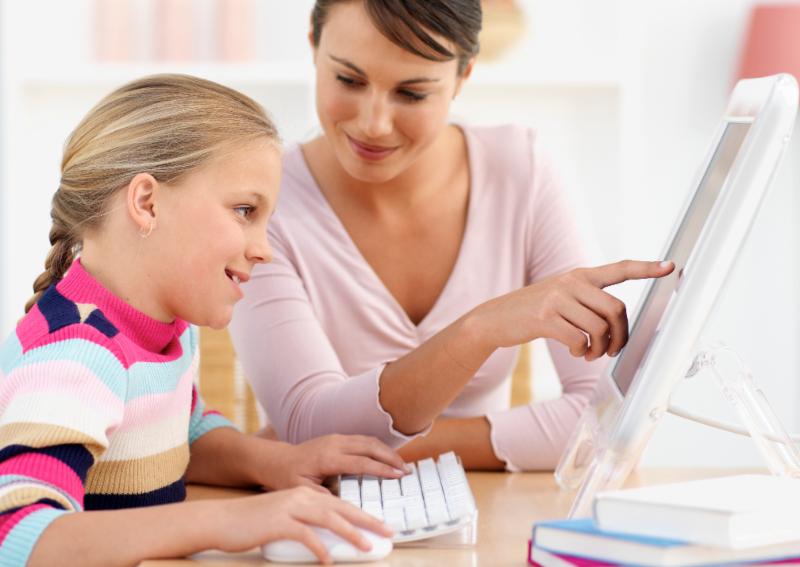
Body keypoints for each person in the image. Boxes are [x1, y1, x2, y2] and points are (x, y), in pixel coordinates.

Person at [230, 0, 673, 472]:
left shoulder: (522, 172)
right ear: (314, 47)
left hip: (483, 504)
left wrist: (344, 444)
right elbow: (310, 425)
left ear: (463, 76)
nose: (373, 123)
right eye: (349, 80)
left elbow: (609, 419)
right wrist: (478, 332)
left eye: (412, 93)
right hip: (325, 508)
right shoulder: (261, 203)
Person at [0, 74, 409, 567]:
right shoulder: (78, 355)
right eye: (245, 211)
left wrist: (279, 462)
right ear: (147, 203)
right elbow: (14, 533)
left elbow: (183, 432)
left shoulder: (164, 327)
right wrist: (225, 521)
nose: (264, 250)